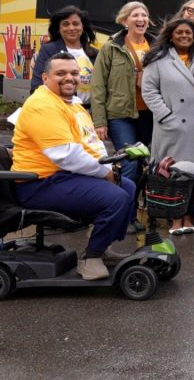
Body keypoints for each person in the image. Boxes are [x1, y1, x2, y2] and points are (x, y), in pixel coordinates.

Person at [12, 52, 136, 280]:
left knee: (127, 186)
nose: (69, 77)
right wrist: (105, 173)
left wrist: (111, 167)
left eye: (74, 73)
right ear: (45, 77)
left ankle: (101, 245)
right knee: (116, 198)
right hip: (39, 183)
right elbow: (66, 156)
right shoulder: (42, 105)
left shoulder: (73, 105)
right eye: (61, 73)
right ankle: (90, 260)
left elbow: (92, 144)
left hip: (64, 177)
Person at [141, 18, 194, 236]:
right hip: (171, 125)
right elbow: (149, 91)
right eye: (179, 33)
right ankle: (174, 217)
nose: (184, 36)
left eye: (188, 33)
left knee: (192, 175)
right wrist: (166, 115)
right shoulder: (157, 59)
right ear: (171, 35)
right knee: (172, 173)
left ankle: (187, 215)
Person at [91, 1, 155, 233]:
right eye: (135, 15)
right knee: (129, 164)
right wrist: (99, 121)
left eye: (144, 15)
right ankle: (124, 216)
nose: (141, 19)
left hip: (149, 114)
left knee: (141, 165)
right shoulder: (111, 47)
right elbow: (98, 86)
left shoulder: (156, 46)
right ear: (124, 20)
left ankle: (131, 209)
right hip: (120, 115)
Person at [29, 6, 99, 106]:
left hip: (90, 113)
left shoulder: (95, 54)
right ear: (59, 28)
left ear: (83, 27)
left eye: (76, 24)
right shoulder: (49, 50)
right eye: (66, 24)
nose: (71, 28)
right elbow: (37, 86)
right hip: (61, 110)